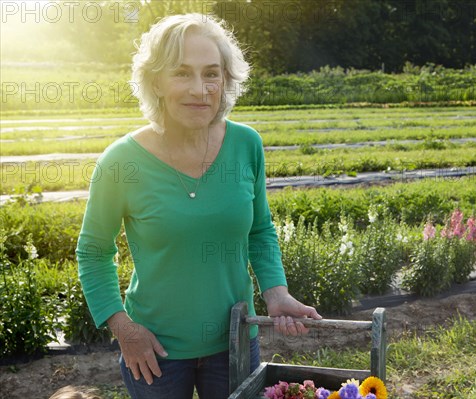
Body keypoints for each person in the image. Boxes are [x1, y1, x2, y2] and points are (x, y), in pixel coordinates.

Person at [76, 13, 321, 399]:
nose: (199, 89)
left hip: (236, 341)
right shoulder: (121, 161)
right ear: (155, 81)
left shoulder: (246, 145)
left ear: (226, 79)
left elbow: (259, 229)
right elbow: (93, 251)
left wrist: (276, 293)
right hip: (155, 351)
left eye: (211, 73)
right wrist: (125, 329)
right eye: (181, 73)